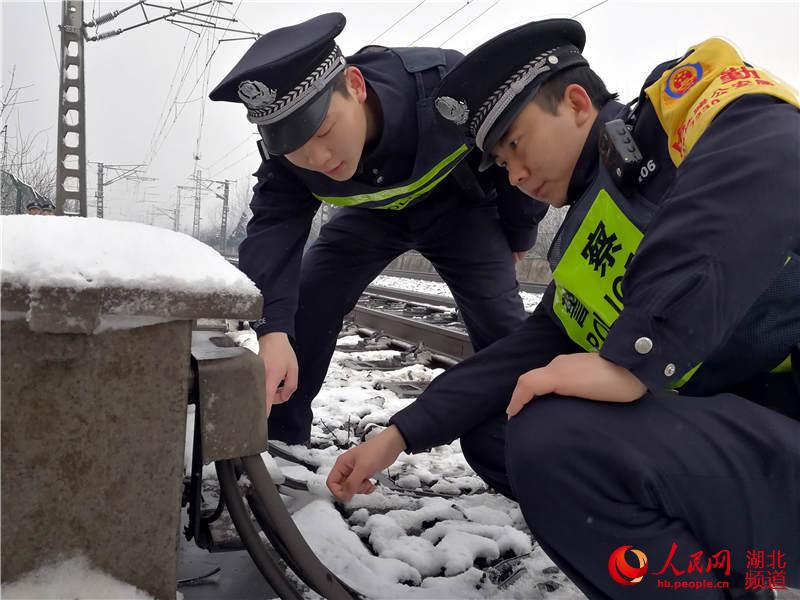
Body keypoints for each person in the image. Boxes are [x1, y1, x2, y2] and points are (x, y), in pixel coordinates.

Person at [326, 18, 800, 599]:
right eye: (502, 165)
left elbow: (774, 141)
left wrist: (636, 357)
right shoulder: (585, 234)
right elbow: (535, 344)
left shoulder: (676, 117)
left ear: (577, 102)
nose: (517, 175)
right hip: (758, 449)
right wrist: (399, 433)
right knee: (500, 431)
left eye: (517, 145)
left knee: (557, 441)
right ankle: (725, 581)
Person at [209, 13, 547, 445]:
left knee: (503, 326)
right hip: (370, 217)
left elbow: (511, 144)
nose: (318, 158)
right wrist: (272, 329)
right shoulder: (289, 157)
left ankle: (525, 451)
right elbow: (273, 229)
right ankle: (280, 439)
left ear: (355, 85)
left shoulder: (448, 86)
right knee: (305, 303)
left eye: (326, 130)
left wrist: (519, 232)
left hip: (460, 211)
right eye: (296, 149)